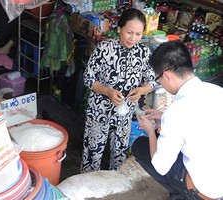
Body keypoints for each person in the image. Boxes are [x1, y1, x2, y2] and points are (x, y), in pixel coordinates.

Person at [131, 40, 223, 199]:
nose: (160, 82)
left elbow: (160, 166)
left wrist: (149, 132)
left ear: (166, 75)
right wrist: (163, 116)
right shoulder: (216, 91)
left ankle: (183, 193)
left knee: (140, 146)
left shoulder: (176, 111)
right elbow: (201, 122)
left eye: (159, 79)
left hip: (207, 190)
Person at [80, 8, 157, 173]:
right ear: (119, 28)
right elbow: (88, 78)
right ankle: (87, 190)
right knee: (93, 153)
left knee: (119, 155)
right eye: (129, 32)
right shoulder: (104, 48)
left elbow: (152, 81)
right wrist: (107, 91)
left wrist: (142, 90)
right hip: (99, 110)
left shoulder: (143, 52)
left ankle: (116, 189)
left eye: (138, 34)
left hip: (124, 113)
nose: (133, 38)